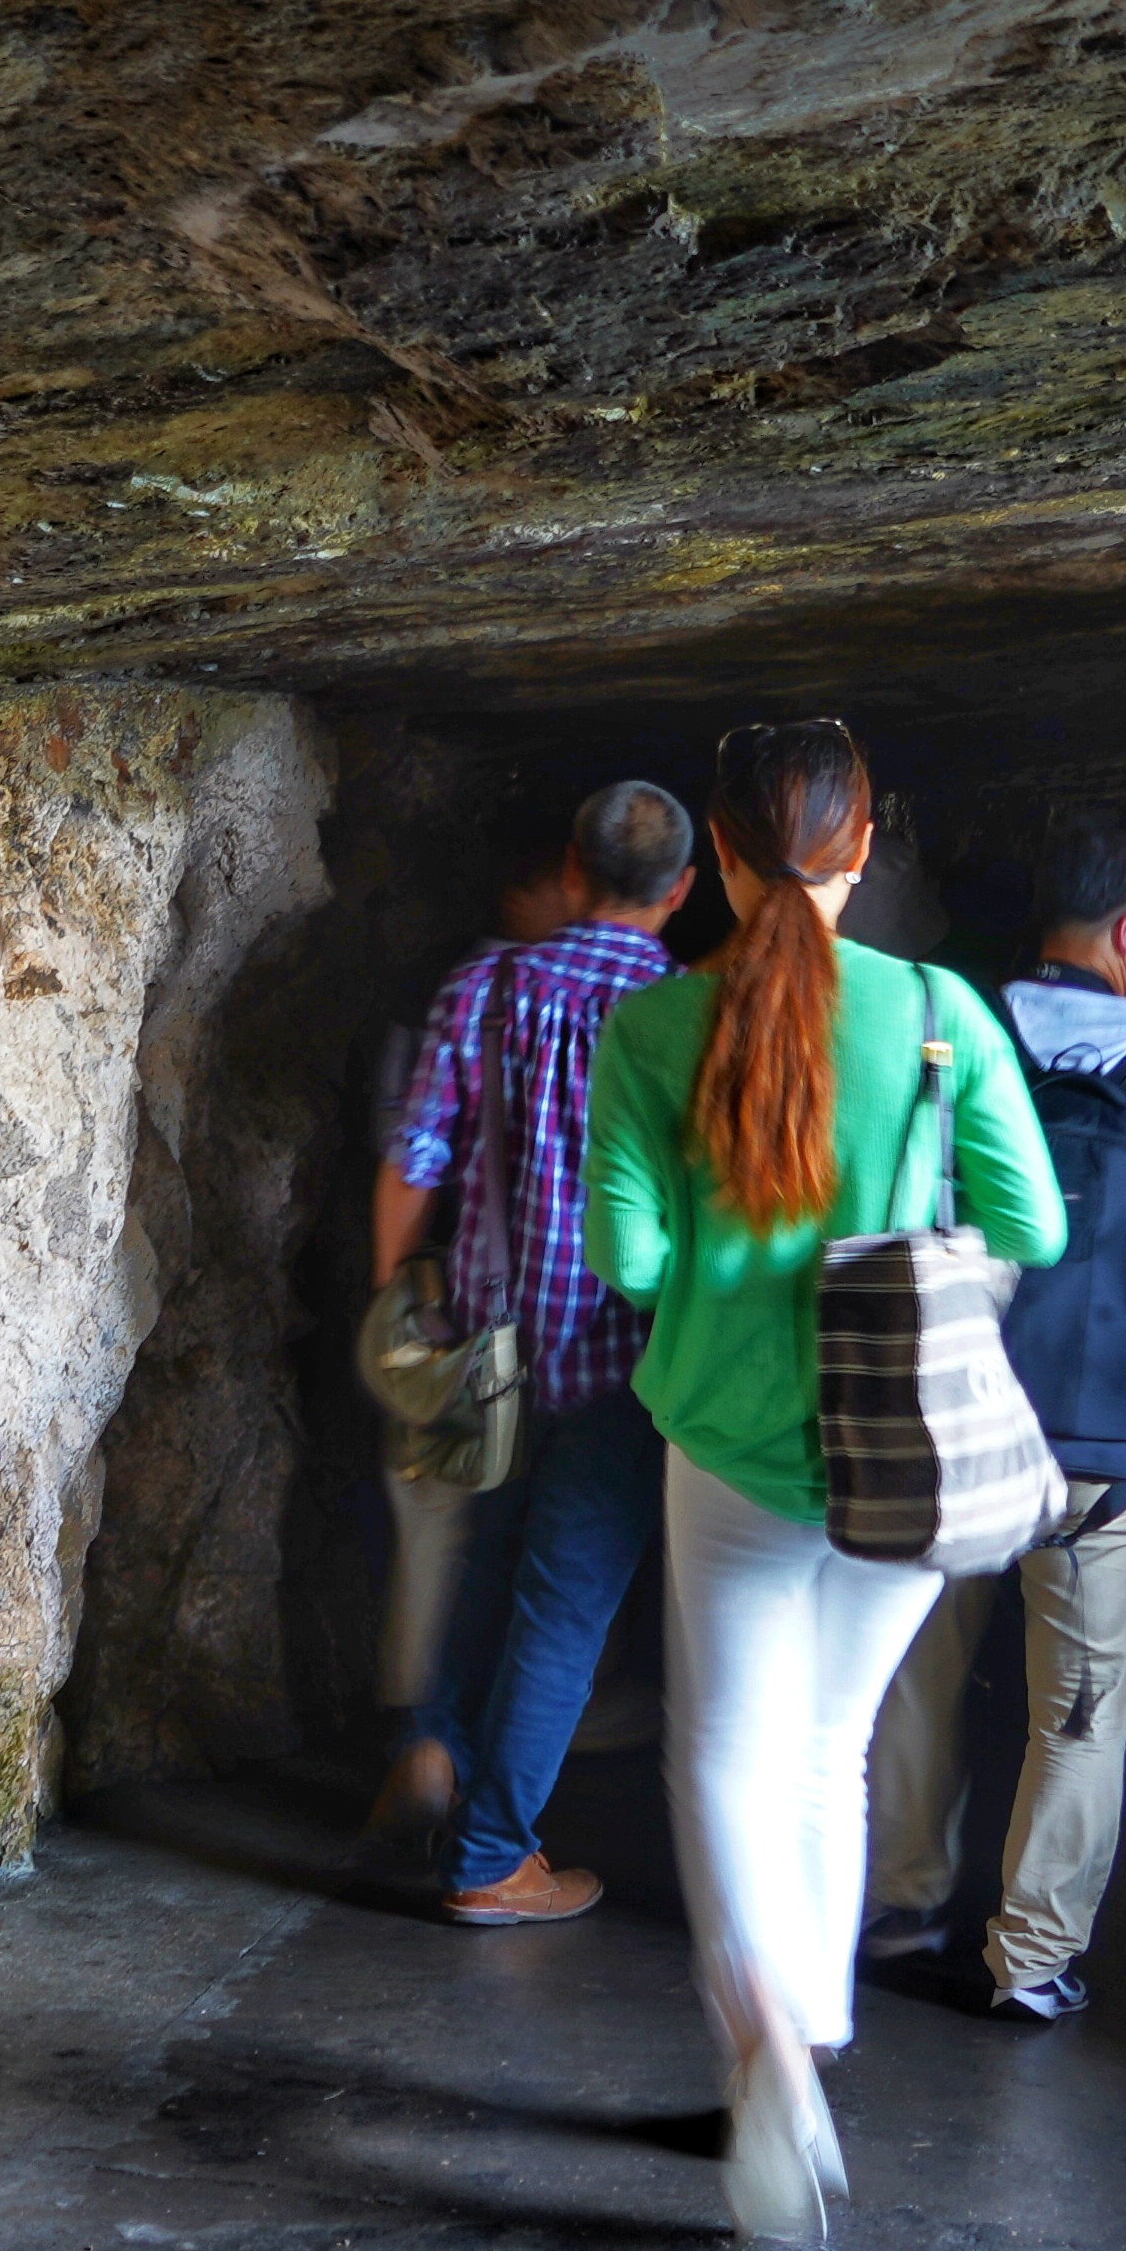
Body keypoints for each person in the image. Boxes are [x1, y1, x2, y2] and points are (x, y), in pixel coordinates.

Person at [585, 721, 1064, 2237]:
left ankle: (762, 2044)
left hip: (728, 1448)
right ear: (866, 852)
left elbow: (629, 1258)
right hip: (901, 1453)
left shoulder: (655, 1030)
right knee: (831, 1748)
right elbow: (1033, 1227)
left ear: (719, 857)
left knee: (722, 1747)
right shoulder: (939, 1014)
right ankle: (816, 2024)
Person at [863, 813, 1126, 2023]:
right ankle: (1030, 1958)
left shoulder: (953, 1035)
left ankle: (902, 1900)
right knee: (1082, 1710)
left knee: (918, 1670)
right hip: (1109, 1452)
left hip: (953, 1423)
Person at [369, 780, 700, 1922]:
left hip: (487, 1345)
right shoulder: (686, 1011)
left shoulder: (487, 985)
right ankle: (489, 1857)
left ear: (574, 863)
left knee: (479, 1556)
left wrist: (400, 1306)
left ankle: (434, 1748)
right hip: (624, 1357)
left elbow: (414, 1162)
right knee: (565, 1608)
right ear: (686, 889)